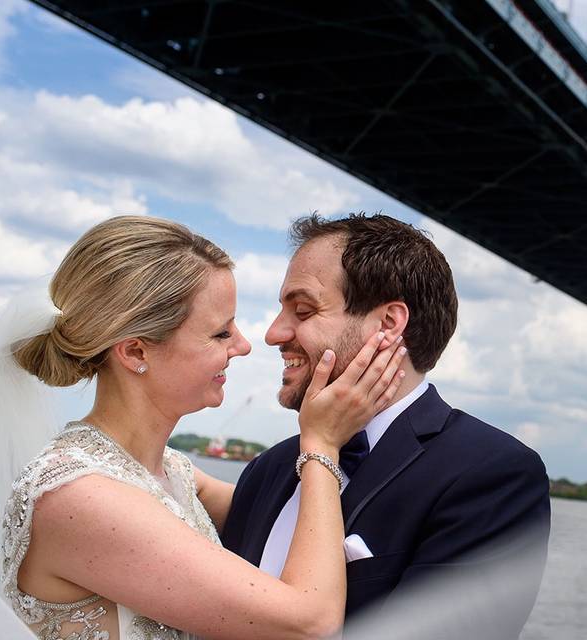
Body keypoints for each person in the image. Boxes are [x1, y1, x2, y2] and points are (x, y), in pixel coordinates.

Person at [0, 215, 408, 639]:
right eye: (221, 333)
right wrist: (322, 444)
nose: (244, 346)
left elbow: (269, 511)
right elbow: (308, 622)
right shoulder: (78, 497)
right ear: (135, 352)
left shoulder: (174, 473)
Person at [221, 214, 551, 638]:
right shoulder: (269, 466)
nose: (272, 333)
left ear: (389, 324)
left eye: (302, 309)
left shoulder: (494, 475)